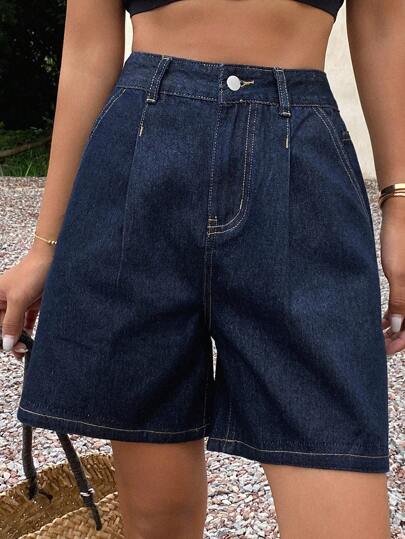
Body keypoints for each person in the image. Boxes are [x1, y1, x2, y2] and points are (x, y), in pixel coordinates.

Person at [1, 1, 403, 537]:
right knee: (156, 519)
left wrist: (400, 203)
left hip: (301, 163)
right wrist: (45, 248)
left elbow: (385, 26)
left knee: (342, 495)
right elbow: (87, 52)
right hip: (139, 161)